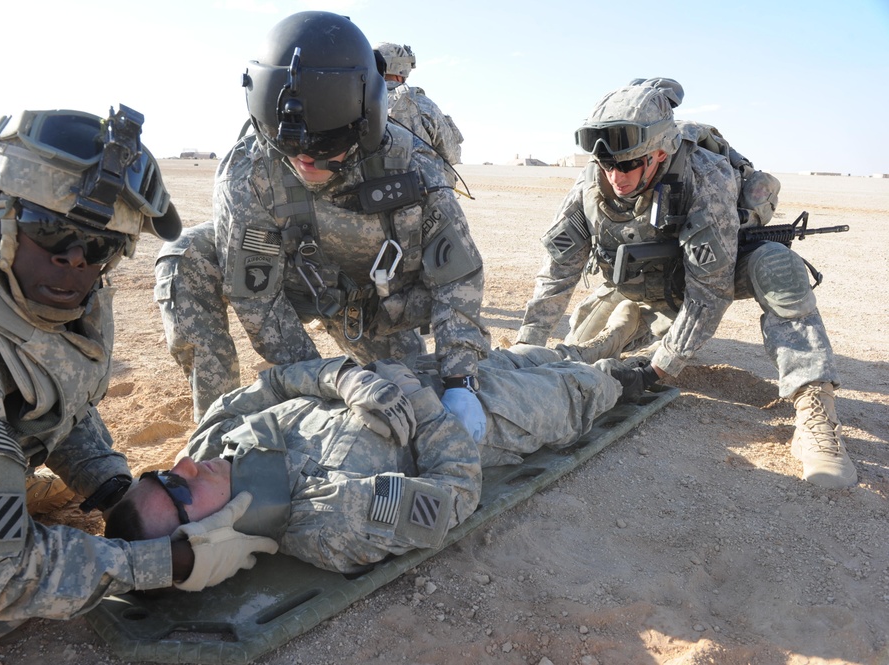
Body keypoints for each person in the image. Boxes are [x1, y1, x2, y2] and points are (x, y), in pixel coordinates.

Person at [0, 106, 277, 654]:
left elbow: (53, 388)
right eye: (50, 232)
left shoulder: (39, 287)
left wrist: (111, 488)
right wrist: (169, 561)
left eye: (101, 245)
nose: (75, 262)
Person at [155, 12, 490, 446]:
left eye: (324, 146)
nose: (305, 161)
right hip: (297, 288)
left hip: (376, 306)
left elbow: (457, 278)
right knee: (187, 254)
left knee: (413, 402)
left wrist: (462, 382)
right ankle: (219, 424)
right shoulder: (249, 172)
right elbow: (257, 300)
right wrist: (322, 385)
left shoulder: (413, 167)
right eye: (288, 145)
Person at [515, 78, 856, 489]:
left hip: (710, 275)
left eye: (626, 165)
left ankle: (815, 410)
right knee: (578, 356)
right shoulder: (592, 185)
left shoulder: (706, 178)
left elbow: (708, 294)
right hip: (638, 282)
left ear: (659, 153)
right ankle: (629, 324)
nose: (615, 176)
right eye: (607, 165)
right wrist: (526, 348)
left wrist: (658, 369)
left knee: (778, 266)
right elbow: (558, 270)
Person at [104, 324, 658, 575]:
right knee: (585, 387)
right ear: (210, 539)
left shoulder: (210, 440)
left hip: (422, 370)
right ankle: (637, 365)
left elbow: (276, 384)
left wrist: (344, 379)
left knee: (538, 353)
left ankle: (613, 329)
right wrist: (426, 408)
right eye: (177, 489)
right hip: (488, 418)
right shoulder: (334, 521)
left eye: (160, 473)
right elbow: (457, 493)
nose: (183, 465)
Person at [374, 42, 464, 177]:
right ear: (401, 72)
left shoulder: (353, 102)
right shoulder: (421, 103)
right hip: (417, 192)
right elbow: (452, 154)